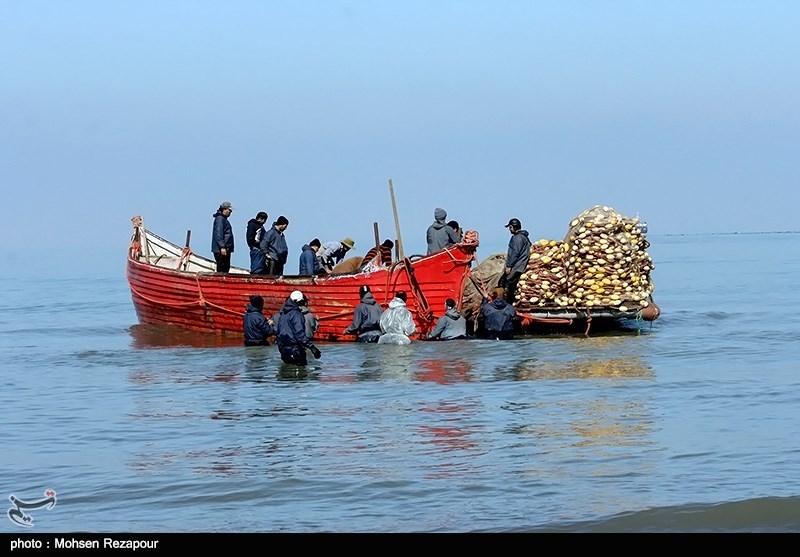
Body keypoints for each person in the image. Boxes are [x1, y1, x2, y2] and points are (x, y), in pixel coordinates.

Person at [275, 290, 322, 365]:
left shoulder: (283, 314)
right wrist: (313, 348)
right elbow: (299, 334)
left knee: (286, 373)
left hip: (282, 350)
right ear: (299, 301)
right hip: (295, 350)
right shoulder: (296, 314)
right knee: (301, 374)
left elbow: (278, 332)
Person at [498, 217, 532, 305]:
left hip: (517, 266)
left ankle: (507, 306)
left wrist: (509, 266)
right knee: (505, 283)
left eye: (510, 227)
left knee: (506, 285)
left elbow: (515, 253)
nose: (509, 229)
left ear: (514, 227)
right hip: (519, 266)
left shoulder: (517, 238)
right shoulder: (524, 237)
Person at [211, 201, 235, 272]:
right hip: (221, 249)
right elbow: (219, 234)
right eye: (229, 210)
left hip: (225, 248)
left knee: (225, 268)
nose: (230, 212)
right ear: (224, 209)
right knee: (222, 268)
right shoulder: (220, 219)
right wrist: (222, 247)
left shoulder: (223, 219)